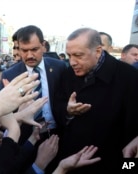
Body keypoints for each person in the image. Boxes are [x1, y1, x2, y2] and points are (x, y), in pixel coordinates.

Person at [46, 28, 138, 174]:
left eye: (78, 55)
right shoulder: (67, 74)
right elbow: (58, 106)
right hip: (70, 161)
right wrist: (67, 111)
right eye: (69, 56)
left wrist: (129, 166)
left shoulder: (130, 77)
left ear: (98, 51)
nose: (72, 62)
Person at [1, 25, 67, 145]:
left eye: (34, 49)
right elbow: (3, 113)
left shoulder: (59, 67)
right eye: (24, 51)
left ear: (43, 46)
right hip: (25, 137)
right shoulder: (9, 75)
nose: (29, 55)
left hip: (57, 134)